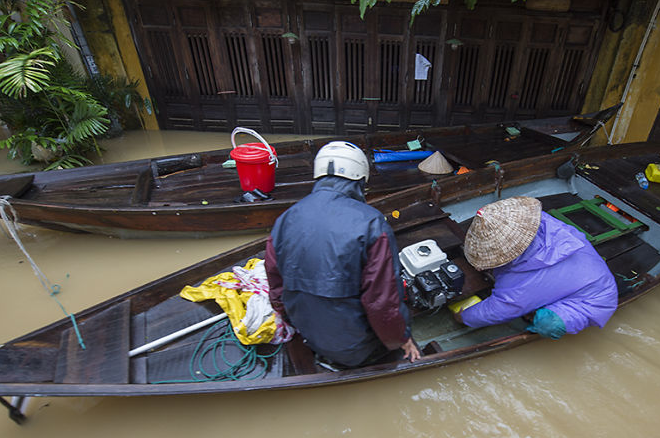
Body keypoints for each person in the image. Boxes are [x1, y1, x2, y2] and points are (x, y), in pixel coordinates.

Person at [265, 141, 421, 368]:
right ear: (360, 179)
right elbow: (381, 302)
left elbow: (276, 284)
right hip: (354, 349)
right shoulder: (371, 222)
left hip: (307, 331)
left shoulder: (286, 217)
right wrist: (401, 338)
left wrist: (289, 317)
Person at [456, 196, 618, 339]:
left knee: (547, 324)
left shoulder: (524, 283)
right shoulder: (545, 221)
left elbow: (500, 309)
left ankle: (540, 310)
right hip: (582, 275)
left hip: (594, 299)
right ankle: (539, 302)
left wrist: (464, 317)